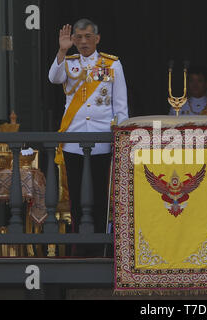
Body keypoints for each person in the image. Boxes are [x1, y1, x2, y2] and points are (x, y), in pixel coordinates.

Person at [48, 19, 128, 255]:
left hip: (102, 141)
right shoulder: (69, 63)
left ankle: (100, 250)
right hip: (74, 140)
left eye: (87, 37)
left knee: (101, 198)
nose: (83, 42)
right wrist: (62, 50)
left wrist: (121, 138)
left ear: (97, 38)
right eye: (78, 37)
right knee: (76, 199)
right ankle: (80, 249)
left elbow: (121, 106)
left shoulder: (112, 64)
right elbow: (54, 78)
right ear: (73, 40)